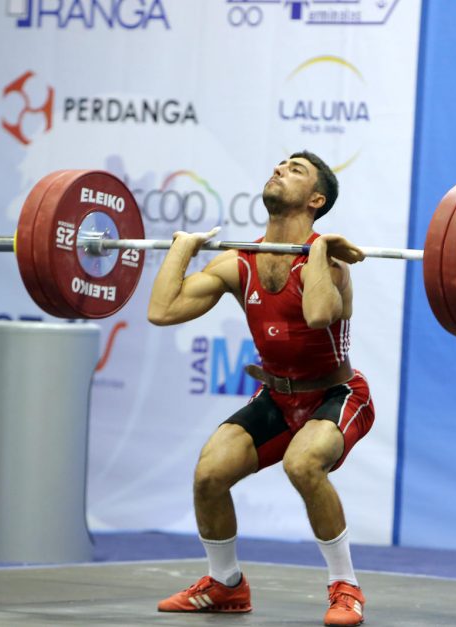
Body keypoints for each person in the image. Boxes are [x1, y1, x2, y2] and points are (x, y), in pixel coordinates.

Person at [148, 151, 375, 627]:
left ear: (316, 200)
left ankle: (346, 587)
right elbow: (162, 310)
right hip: (277, 397)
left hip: (336, 395)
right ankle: (225, 585)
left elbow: (317, 314)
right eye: (279, 165)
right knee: (210, 473)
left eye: (296, 170)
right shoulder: (240, 262)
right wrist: (183, 248)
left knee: (303, 463)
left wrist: (316, 252)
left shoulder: (331, 262)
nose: (279, 170)